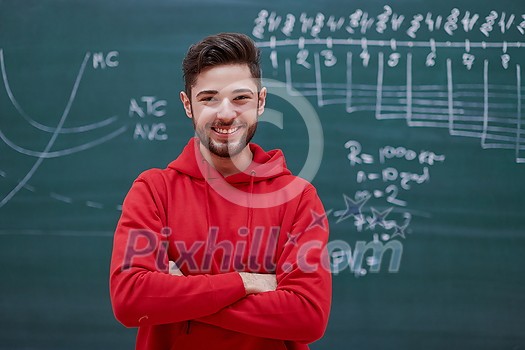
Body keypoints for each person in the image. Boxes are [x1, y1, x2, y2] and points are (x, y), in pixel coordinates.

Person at [109, 32, 331, 350]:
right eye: (209, 98)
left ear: (261, 101)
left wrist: (180, 294)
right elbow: (130, 300)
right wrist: (247, 282)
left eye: (240, 98)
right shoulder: (153, 191)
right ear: (188, 105)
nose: (225, 114)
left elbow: (307, 317)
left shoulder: (297, 198)